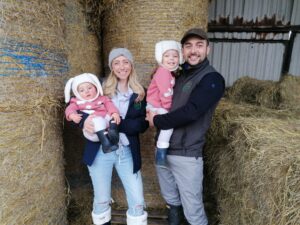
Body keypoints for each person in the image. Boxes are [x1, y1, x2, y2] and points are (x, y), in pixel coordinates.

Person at [146, 28, 225, 225]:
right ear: (182, 50)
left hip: (187, 153)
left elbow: (192, 111)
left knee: (193, 210)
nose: (193, 50)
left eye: (199, 45)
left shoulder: (212, 79)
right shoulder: (177, 75)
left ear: (208, 49)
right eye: (188, 46)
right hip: (163, 148)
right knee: (171, 198)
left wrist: (156, 121)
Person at [83, 48, 149, 225]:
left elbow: (143, 124)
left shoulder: (140, 92)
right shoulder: (99, 88)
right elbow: (80, 103)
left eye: (125, 62)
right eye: (116, 62)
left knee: (137, 199)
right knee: (102, 198)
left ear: (131, 65)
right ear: (111, 66)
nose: (122, 66)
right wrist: (85, 121)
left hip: (126, 151)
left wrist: (116, 124)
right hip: (99, 151)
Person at [146, 40, 183, 167]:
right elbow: (165, 93)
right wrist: (170, 109)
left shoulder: (169, 72)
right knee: (169, 124)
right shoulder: (163, 72)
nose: (171, 59)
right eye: (167, 56)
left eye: (175, 56)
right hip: (157, 105)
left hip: (158, 104)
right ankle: (161, 153)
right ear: (161, 58)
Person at [64, 73, 121, 153]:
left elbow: (110, 105)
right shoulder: (76, 102)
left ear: (96, 87)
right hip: (92, 130)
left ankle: (113, 130)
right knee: (96, 120)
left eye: (89, 88)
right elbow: (69, 109)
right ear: (77, 93)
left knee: (112, 117)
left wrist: (114, 113)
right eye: (82, 90)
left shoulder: (102, 98)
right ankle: (106, 142)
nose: (86, 91)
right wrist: (72, 115)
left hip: (105, 121)